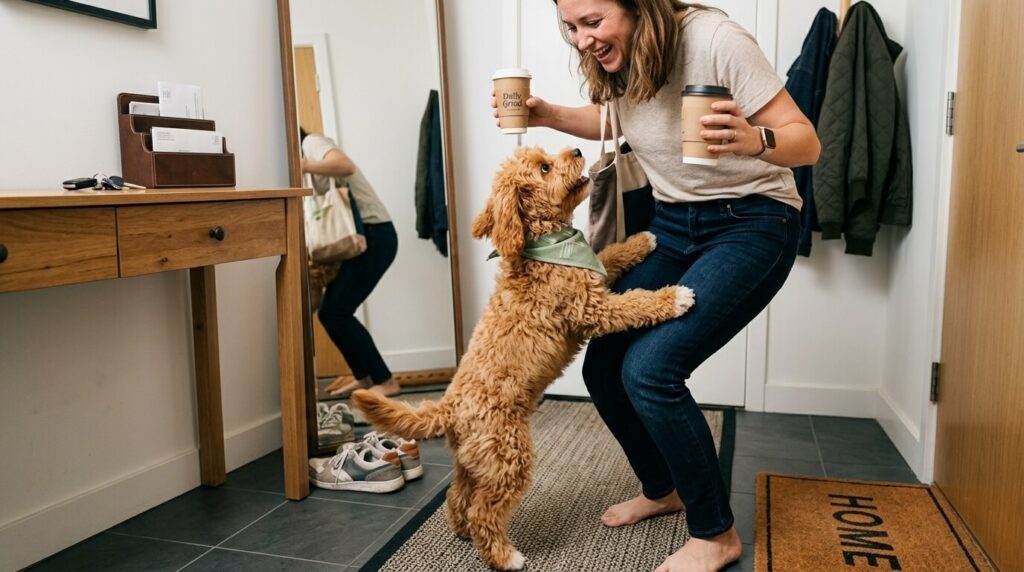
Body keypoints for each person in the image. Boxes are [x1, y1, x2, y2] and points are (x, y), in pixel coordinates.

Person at [492, 1, 820, 570]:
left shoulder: (716, 39)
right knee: (604, 367)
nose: (581, 40)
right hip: (672, 222)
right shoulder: (619, 64)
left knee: (651, 371)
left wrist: (754, 139)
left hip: (753, 222)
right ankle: (662, 486)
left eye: (593, 21)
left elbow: (806, 141)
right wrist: (545, 112)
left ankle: (716, 533)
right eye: (571, 28)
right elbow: (616, 122)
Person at [300, 129, 402, 398]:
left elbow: (345, 166)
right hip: (363, 239)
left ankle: (385, 380)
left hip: (376, 234)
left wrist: (301, 164)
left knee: (336, 312)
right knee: (330, 313)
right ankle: (366, 377)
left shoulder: (310, 143)